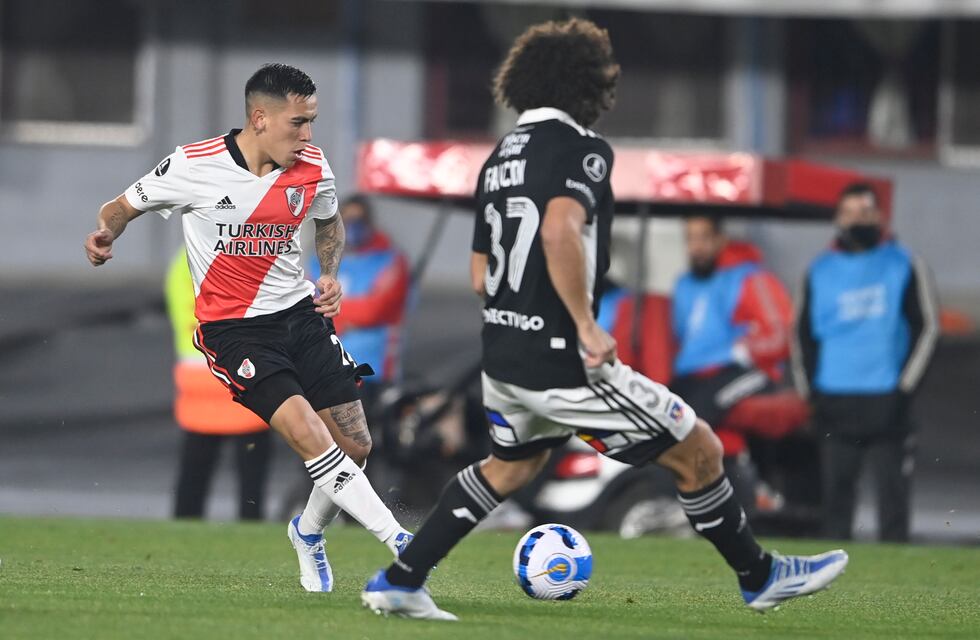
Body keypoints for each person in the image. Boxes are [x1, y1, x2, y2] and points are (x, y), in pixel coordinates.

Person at [360, 18, 848, 621]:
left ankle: (400, 580)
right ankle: (760, 576)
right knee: (700, 449)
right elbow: (561, 228)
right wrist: (585, 324)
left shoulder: (499, 158)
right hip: (561, 358)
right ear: (582, 83)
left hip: (505, 356)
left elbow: (480, 274)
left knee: (510, 467)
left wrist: (521, 310)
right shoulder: (580, 149)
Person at [84, 63, 413, 593]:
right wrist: (104, 234)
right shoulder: (194, 165)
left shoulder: (313, 165)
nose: (308, 135)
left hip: (300, 318)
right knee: (310, 433)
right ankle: (400, 540)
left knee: (355, 445)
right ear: (259, 118)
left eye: (312, 122)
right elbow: (121, 206)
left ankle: (307, 533)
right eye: (298, 122)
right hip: (234, 331)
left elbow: (328, 219)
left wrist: (328, 273)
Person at [793, 182, 939, 542]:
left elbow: (928, 327)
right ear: (838, 219)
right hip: (834, 400)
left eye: (865, 212)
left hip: (886, 401)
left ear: (879, 216)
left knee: (893, 507)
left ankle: (898, 592)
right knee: (835, 508)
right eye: (850, 212)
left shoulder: (904, 263)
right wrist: (810, 392)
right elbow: (801, 335)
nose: (858, 219)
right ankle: (837, 590)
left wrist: (903, 389)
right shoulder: (819, 270)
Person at [670, 216, 807, 507]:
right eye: (690, 239)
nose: (696, 247)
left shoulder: (750, 278)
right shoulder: (684, 285)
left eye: (703, 238)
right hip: (696, 373)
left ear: (721, 239)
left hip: (747, 370)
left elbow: (779, 334)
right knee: (667, 412)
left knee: (701, 413)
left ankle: (749, 488)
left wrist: (740, 351)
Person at [165, 246, 271, 520]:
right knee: (251, 481)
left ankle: (182, 533)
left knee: (193, 476)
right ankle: (251, 534)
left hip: (198, 382)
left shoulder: (182, 263)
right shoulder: (246, 256)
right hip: (245, 381)